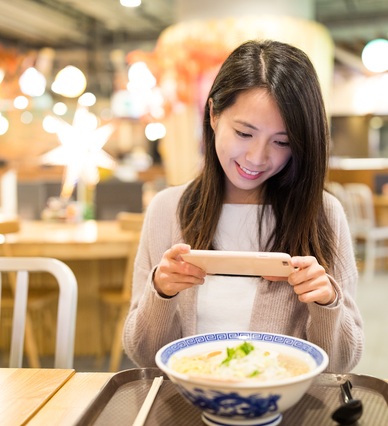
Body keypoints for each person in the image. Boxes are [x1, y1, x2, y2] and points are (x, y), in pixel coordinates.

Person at [123, 40, 363, 373]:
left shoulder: (322, 213)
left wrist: (327, 304)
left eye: (281, 142)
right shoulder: (167, 210)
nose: (257, 158)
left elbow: (341, 365)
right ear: (213, 114)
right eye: (243, 132)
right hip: (188, 406)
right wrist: (161, 293)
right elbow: (143, 356)